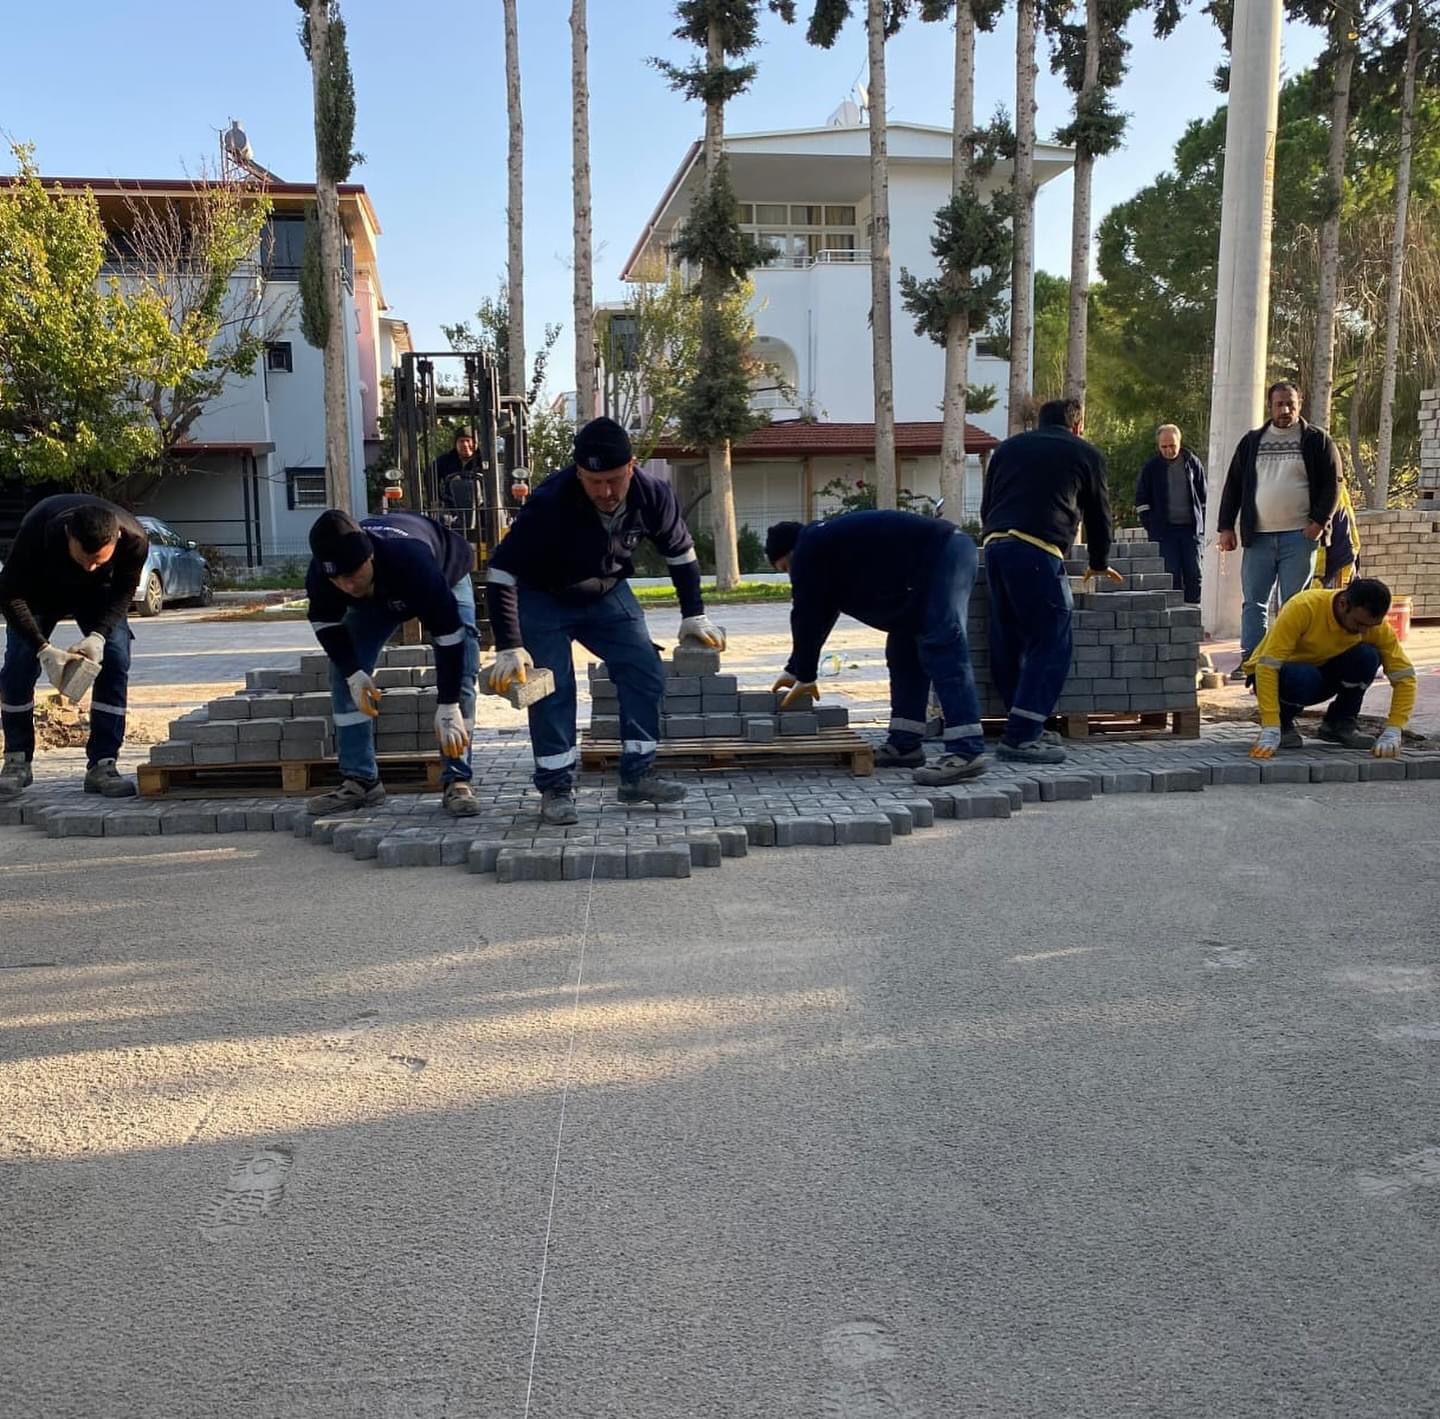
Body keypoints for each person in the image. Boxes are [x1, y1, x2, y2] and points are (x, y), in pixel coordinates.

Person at [484, 416, 724, 825]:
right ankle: (556, 788)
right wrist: (510, 645)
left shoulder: (653, 495)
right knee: (550, 687)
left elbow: (680, 554)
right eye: (594, 482)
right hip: (543, 596)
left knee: (644, 667)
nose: (605, 492)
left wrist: (693, 614)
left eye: (614, 479)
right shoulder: (549, 502)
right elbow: (500, 572)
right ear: (579, 472)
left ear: (632, 466)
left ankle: (637, 776)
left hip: (606, 592)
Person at [764, 512, 989, 785]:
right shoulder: (827, 552)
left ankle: (966, 751)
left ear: (791, 552)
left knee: (942, 646)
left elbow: (805, 614)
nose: (791, 575)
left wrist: (806, 674)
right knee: (902, 653)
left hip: (944, 553)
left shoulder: (809, 546)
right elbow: (819, 616)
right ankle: (905, 745)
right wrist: (796, 669)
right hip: (921, 570)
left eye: (786, 568)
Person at [304, 508, 480, 818]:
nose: (347, 586)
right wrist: (353, 673)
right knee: (343, 677)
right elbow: (325, 623)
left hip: (445, 573)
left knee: (462, 671)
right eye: (338, 579)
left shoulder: (411, 561)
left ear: (369, 556)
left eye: (352, 574)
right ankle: (361, 781)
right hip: (377, 599)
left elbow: (449, 636)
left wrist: (448, 703)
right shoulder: (323, 574)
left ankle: (457, 779)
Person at [979, 398, 1121, 765]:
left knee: (1007, 638)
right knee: (1052, 638)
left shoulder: (1007, 449)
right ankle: (1022, 735)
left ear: (1039, 423)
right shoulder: (1084, 453)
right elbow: (1099, 515)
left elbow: (986, 506)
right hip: (1037, 549)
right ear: (1078, 425)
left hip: (995, 547)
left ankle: (1021, 721)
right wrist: (1099, 562)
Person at [0, 494, 149, 799]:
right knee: (18, 665)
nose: (91, 567)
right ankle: (17, 760)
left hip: (99, 596)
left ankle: (103, 764)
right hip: (39, 592)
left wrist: (98, 636)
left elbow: (124, 592)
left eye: (99, 561)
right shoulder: (37, 529)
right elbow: (9, 595)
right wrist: (42, 648)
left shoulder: (134, 540)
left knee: (115, 660)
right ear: (69, 535)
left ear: (117, 539)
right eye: (84, 559)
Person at [1217, 381, 1342, 676]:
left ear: (1300, 403)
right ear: (1269, 406)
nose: (1285, 410)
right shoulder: (1252, 442)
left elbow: (1333, 484)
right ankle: (1251, 660)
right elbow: (1233, 485)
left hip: (1299, 537)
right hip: (1258, 537)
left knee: (1296, 603)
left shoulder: (1317, 441)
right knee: (1254, 603)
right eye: (1279, 404)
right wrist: (1226, 527)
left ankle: (1290, 659)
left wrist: (1319, 523)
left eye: (1290, 404)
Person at [1244, 578, 1413, 760]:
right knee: (1303, 676)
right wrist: (1271, 725)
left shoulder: (1373, 627)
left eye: (1370, 626)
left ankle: (1338, 724)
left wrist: (1394, 729)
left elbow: (1404, 676)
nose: (1364, 631)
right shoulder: (1303, 607)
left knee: (1367, 656)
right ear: (1343, 604)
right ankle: (1283, 725)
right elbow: (1268, 666)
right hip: (1279, 677)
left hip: (1320, 674)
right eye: (1359, 623)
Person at [1134, 423, 1205, 604]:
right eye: (1164, 446)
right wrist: (1151, 525)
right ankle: (1174, 613)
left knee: (1195, 573)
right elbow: (1141, 500)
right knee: (1170, 574)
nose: (1168, 450)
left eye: (1172, 445)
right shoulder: (1151, 468)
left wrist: (1203, 524)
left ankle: (1194, 611)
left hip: (1191, 531)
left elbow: (1203, 496)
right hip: (1164, 532)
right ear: (1158, 446)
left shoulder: (1192, 463)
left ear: (1180, 442)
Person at [436, 431, 483, 524]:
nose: (465, 445)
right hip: (451, 507)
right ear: (455, 444)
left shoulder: (484, 459)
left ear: (475, 443)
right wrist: (438, 498)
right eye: (461, 441)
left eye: (468, 441)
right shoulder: (445, 460)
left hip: (481, 507)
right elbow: (429, 476)